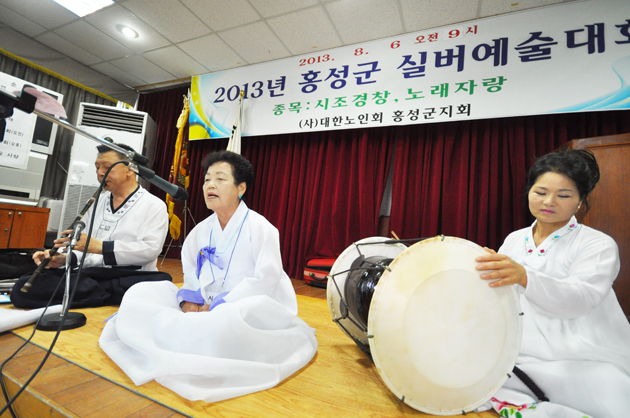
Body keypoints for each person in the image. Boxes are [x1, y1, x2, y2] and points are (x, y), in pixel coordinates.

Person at [99, 150, 318, 402]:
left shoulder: (262, 228)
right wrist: (190, 300)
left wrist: (220, 305)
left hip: (245, 305)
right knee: (141, 291)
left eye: (220, 179)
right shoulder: (200, 231)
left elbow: (266, 279)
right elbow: (191, 271)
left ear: (241, 188)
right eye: (206, 180)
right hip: (205, 302)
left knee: (226, 320)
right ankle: (194, 333)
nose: (210, 185)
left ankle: (193, 338)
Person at [475, 149, 630, 418]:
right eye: (540, 191)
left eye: (564, 195)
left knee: (609, 391)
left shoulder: (598, 244)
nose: (549, 201)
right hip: (522, 347)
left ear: (581, 201)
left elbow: (581, 298)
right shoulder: (515, 239)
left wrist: (524, 276)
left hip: (582, 352)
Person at [11, 143, 171, 308]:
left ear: (130, 170)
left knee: (158, 281)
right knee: (24, 286)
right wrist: (65, 258)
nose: (100, 172)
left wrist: (101, 247)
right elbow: (82, 245)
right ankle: (105, 294)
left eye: (107, 167)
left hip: (128, 274)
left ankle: (99, 292)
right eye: (97, 167)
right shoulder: (97, 202)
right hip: (91, 274)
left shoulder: (154, 205)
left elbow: (150, 251)